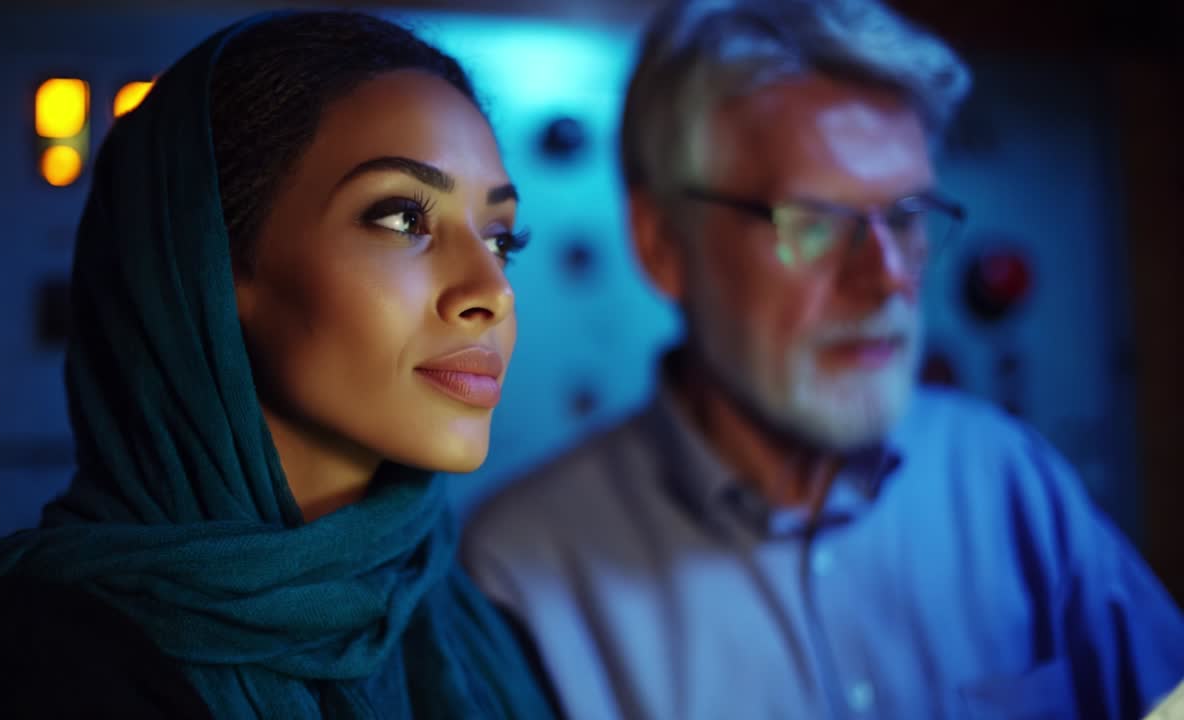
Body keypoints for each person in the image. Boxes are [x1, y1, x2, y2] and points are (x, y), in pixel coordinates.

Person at [461, 0, 1184, 717]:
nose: (887, 279)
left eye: (906, 217)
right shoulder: (521, 579)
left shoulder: (1008, 482)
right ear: (662, 246)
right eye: (813, 224)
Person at [0, 11, 553, 719]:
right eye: (402, 218)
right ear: (206, 268)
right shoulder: (18, 667)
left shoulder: (478, 630)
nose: (491, 292)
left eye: (499, 238)